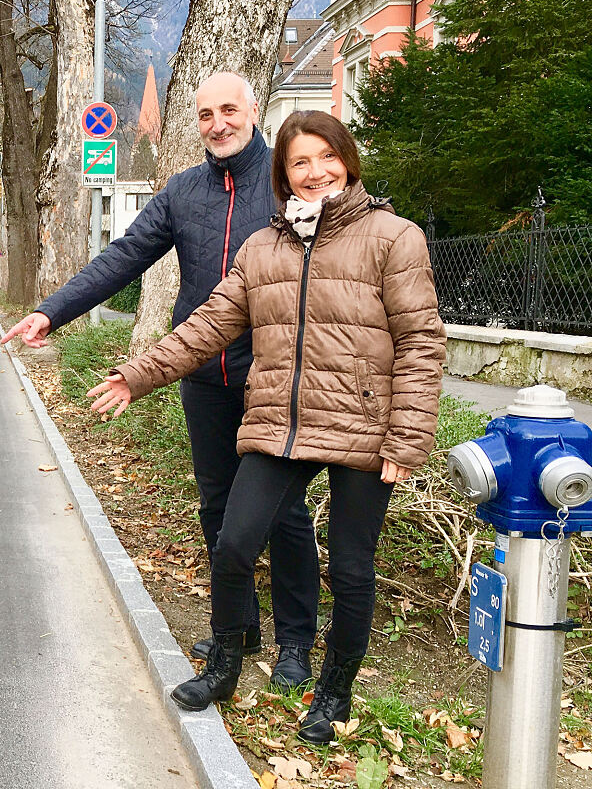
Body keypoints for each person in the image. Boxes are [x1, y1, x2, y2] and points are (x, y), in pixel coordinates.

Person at [87, 110, 445, 742]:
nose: (315, 173)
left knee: (352, 570)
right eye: (299, 162)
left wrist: (408, 439)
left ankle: (333, 694)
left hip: (366, 427)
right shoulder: (264, 247)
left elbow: (420, 343)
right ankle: (226, 665)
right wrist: (135, 376)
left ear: (348, 161)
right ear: (283, 174)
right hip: (281, 423)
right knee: (232, 544)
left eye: (326, 158)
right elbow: (206, 327)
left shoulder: (395, 238)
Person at [0, 72, 319, 689]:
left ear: (254, 111)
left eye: (229, 110)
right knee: (218, 505)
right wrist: (50, 310)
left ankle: (295, 642)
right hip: (204, 373)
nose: (218, 123)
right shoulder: (184, 191)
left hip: (274, 375)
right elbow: (122, 256)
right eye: (205, 115)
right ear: (195, 123)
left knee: (283, 514)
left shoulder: (286, 184)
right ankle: (239, 626)